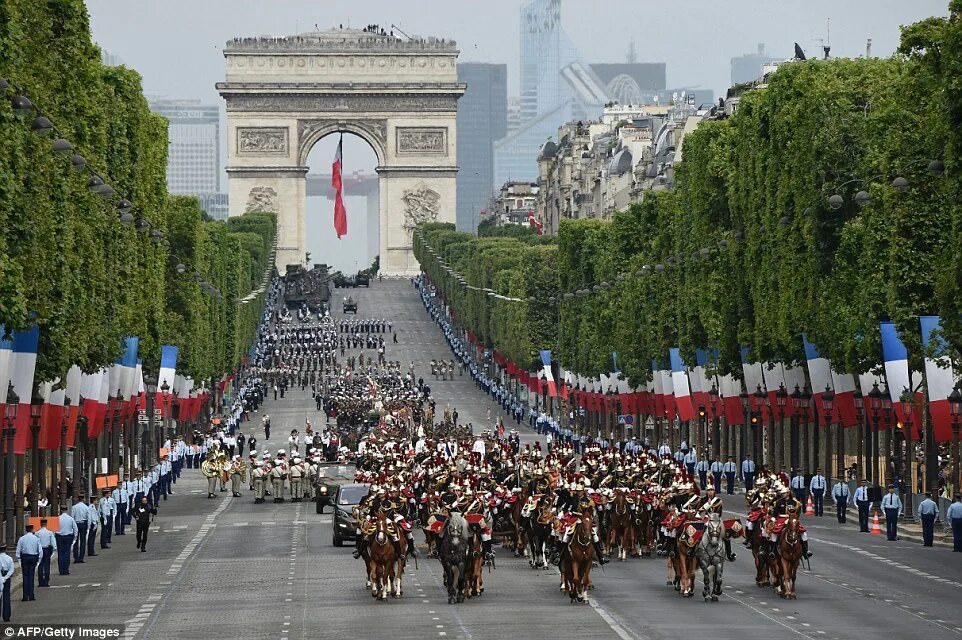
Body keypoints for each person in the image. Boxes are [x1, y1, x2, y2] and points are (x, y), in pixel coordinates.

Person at [15, 524, 40, 601]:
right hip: (33, 557)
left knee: (25, 576)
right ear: (32, 529)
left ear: (26, 530)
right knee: (31, 576)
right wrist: (38, 561)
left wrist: (19, 561)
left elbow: (18, 551)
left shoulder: (21, 539)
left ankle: (25, 596)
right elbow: (40, 551)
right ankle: (31, 595)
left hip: (24, 557)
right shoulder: (36, 539)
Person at [54, 506, 77, 575]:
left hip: (59, 537)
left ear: (61, 510)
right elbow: (75, 529)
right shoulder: (70, 519)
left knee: (60, 553)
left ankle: (61, 570)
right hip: (68, 537)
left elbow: (54, 530)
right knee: (67, 553)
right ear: (67, 510)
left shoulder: (57, 519)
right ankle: (66, 570)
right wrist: (75, 538)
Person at [35, 519, 55, 588]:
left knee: (40, 565)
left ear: (40, 524)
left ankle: (41, 582)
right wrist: (54, 549)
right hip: (47, 549)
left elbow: (35, 543)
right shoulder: (50, 532)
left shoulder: (37, 533)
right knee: (47, 565)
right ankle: (46, 581)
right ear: (46, 524)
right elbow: (53, 543)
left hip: (40, 549)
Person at [70, 496, 89, 563]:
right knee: (83, 541)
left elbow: (72, 517)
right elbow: (88, 518)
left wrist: (72, 527)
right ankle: (81, 557)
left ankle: (76, 557)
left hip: (76, 523)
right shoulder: (86, 507)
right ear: (83, 499)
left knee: (75, 540)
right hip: (83, 523)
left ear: (78, 499)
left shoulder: (74, 507)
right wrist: (88, 527)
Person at [0, 544, 13, 621]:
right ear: (6, 549)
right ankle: (6, 616)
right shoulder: (9, 558)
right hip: (6, 577)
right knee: (6, 596)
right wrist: (5, 578)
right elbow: (11, 570)